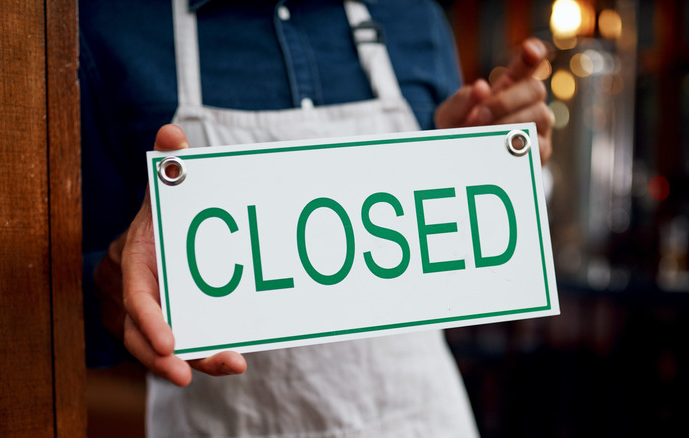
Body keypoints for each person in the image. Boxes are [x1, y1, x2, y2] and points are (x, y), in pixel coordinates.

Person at [80, 0, 553, 436]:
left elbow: (440, 269)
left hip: (418, 419)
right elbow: (80, 294)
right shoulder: (112, 26)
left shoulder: (415, 17)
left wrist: (474, 161)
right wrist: (115, 279)